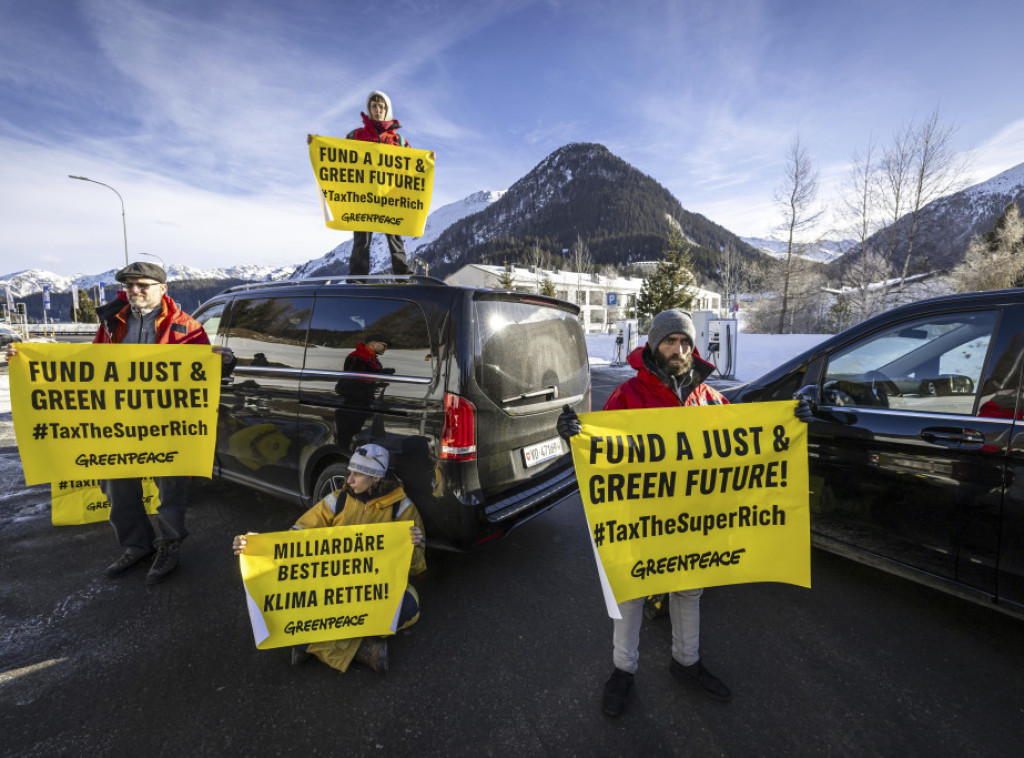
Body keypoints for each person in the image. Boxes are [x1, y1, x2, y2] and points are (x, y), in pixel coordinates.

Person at [557, 308, 812, 717]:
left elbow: (747, 442)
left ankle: (686, 662)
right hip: (639, 519)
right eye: (670, 341)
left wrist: (792, 422)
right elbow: (600, 455)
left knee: (689, 589)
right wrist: (576, 436)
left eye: (685, 342)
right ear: (655, 345)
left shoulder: (710, 399)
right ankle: (623, 671)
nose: (678, 350)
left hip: (694, 518)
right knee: (633, 592)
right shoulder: (629, 396)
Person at [94, 261, 233, 585]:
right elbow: (90, 364)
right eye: (130, 285)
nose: (135, 291)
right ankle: (136, 545)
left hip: (167, 423)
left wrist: (225, 362)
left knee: (170, 487)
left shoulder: (186, 326)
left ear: (162, 289)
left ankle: (169, 545)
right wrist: (25, 358)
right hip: (121, 421)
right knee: (116, 483)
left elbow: (205, 368)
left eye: (142, 285)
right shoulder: (112, 323)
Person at [232, 444, 426, 673]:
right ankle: (362, 650)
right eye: (349, 472)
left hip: (371, 589)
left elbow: (417, 567)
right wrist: (257, 545)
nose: (349, 479)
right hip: (333, 587)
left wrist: (412, 546)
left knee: (409, 607)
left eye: (357, 474)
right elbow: (297, 537)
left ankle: (307, 642)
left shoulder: (402, 509)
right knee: (289, 599)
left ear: (375, 478)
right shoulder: (337, 499)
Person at [308, 90, 412, 277]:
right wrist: (317, 144)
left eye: (381, 106)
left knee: (395, 237)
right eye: (374, 106)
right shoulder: (356, 135)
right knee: (361, 239)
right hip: (363, 196)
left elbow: (412, 166)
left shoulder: (399, 141)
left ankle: (403, 275)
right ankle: (358, 277)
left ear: (387, 109)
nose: (378, 109)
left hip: (390, 196)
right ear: (369, 108)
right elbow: (339, 156)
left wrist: (428, 160)